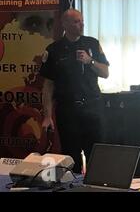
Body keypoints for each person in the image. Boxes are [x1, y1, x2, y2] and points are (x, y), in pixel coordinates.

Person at [40, 9, 109, 173]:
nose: (82, 24)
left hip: (92, 108)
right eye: (77, 21)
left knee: (97, 156)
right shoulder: (54, 50)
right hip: (67, 110)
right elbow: (48, 86)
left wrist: (89, 61)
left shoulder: (92, 43)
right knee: (71, 158)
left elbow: (105, 73)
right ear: (65, 24)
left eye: (82, 21)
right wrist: (47, 116)